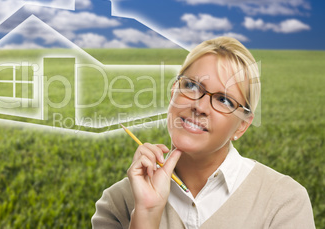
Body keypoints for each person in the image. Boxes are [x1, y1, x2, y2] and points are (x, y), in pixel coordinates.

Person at [91, 37, 315, 229]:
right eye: (191, 87)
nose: (199, 106)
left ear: (242, 126)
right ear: (173, 93)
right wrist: (146, 215)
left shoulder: (284, 202)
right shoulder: (117, 203)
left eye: (224, 100)